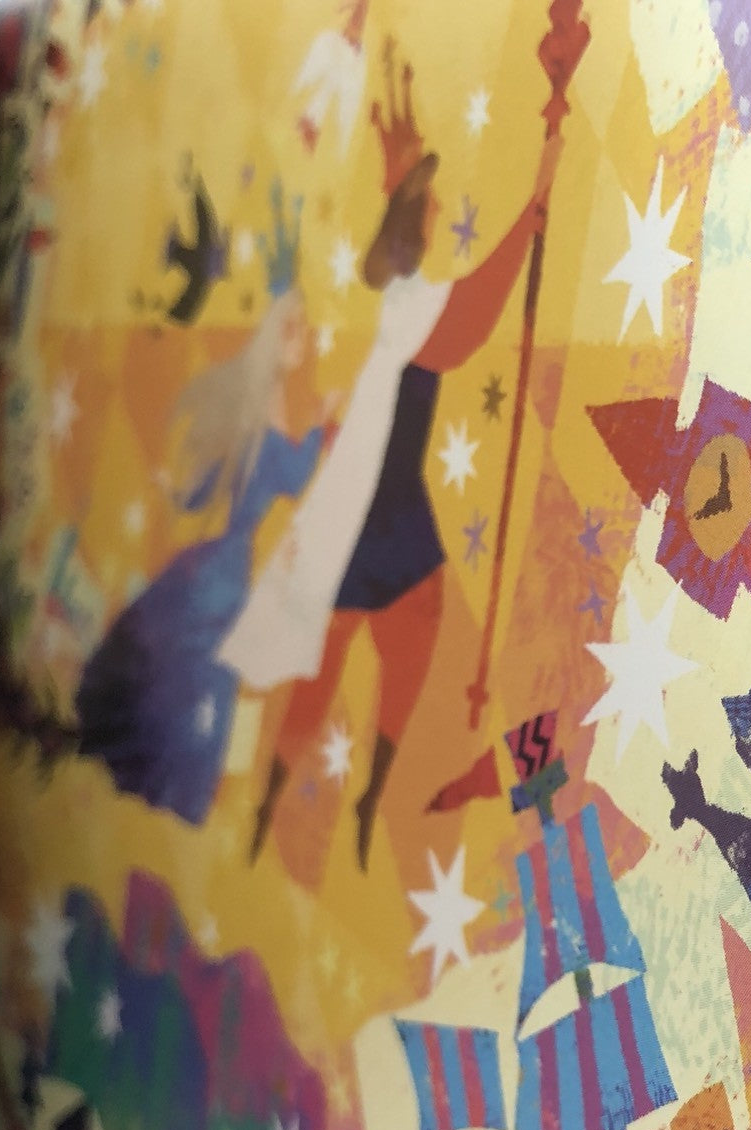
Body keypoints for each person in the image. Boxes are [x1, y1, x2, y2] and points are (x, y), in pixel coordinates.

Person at [221, 50, 562, 869]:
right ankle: (304, 806)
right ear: (412, 217)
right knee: (348, 668)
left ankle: (358, 804)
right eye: (427, 197)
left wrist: (540, 200)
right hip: (378, 526)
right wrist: (535, 206)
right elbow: (477, 306)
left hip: (394, 523)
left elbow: (468, 306)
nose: (439, 206)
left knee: (393, 657)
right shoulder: (414, 315)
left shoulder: (405, 310)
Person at [76, 290, 329, 826]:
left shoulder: (253, 406)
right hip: (226, 569)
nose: (304, 343)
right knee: (201, 676)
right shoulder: (267, 410)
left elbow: (210, 488)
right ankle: (177, 792)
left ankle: (154, 779)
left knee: (178, 662)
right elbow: (290, 477)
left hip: (207, 561)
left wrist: (178, 491)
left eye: (305, 333)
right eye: (296, 332)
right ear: (278, 338)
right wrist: (322, 426)